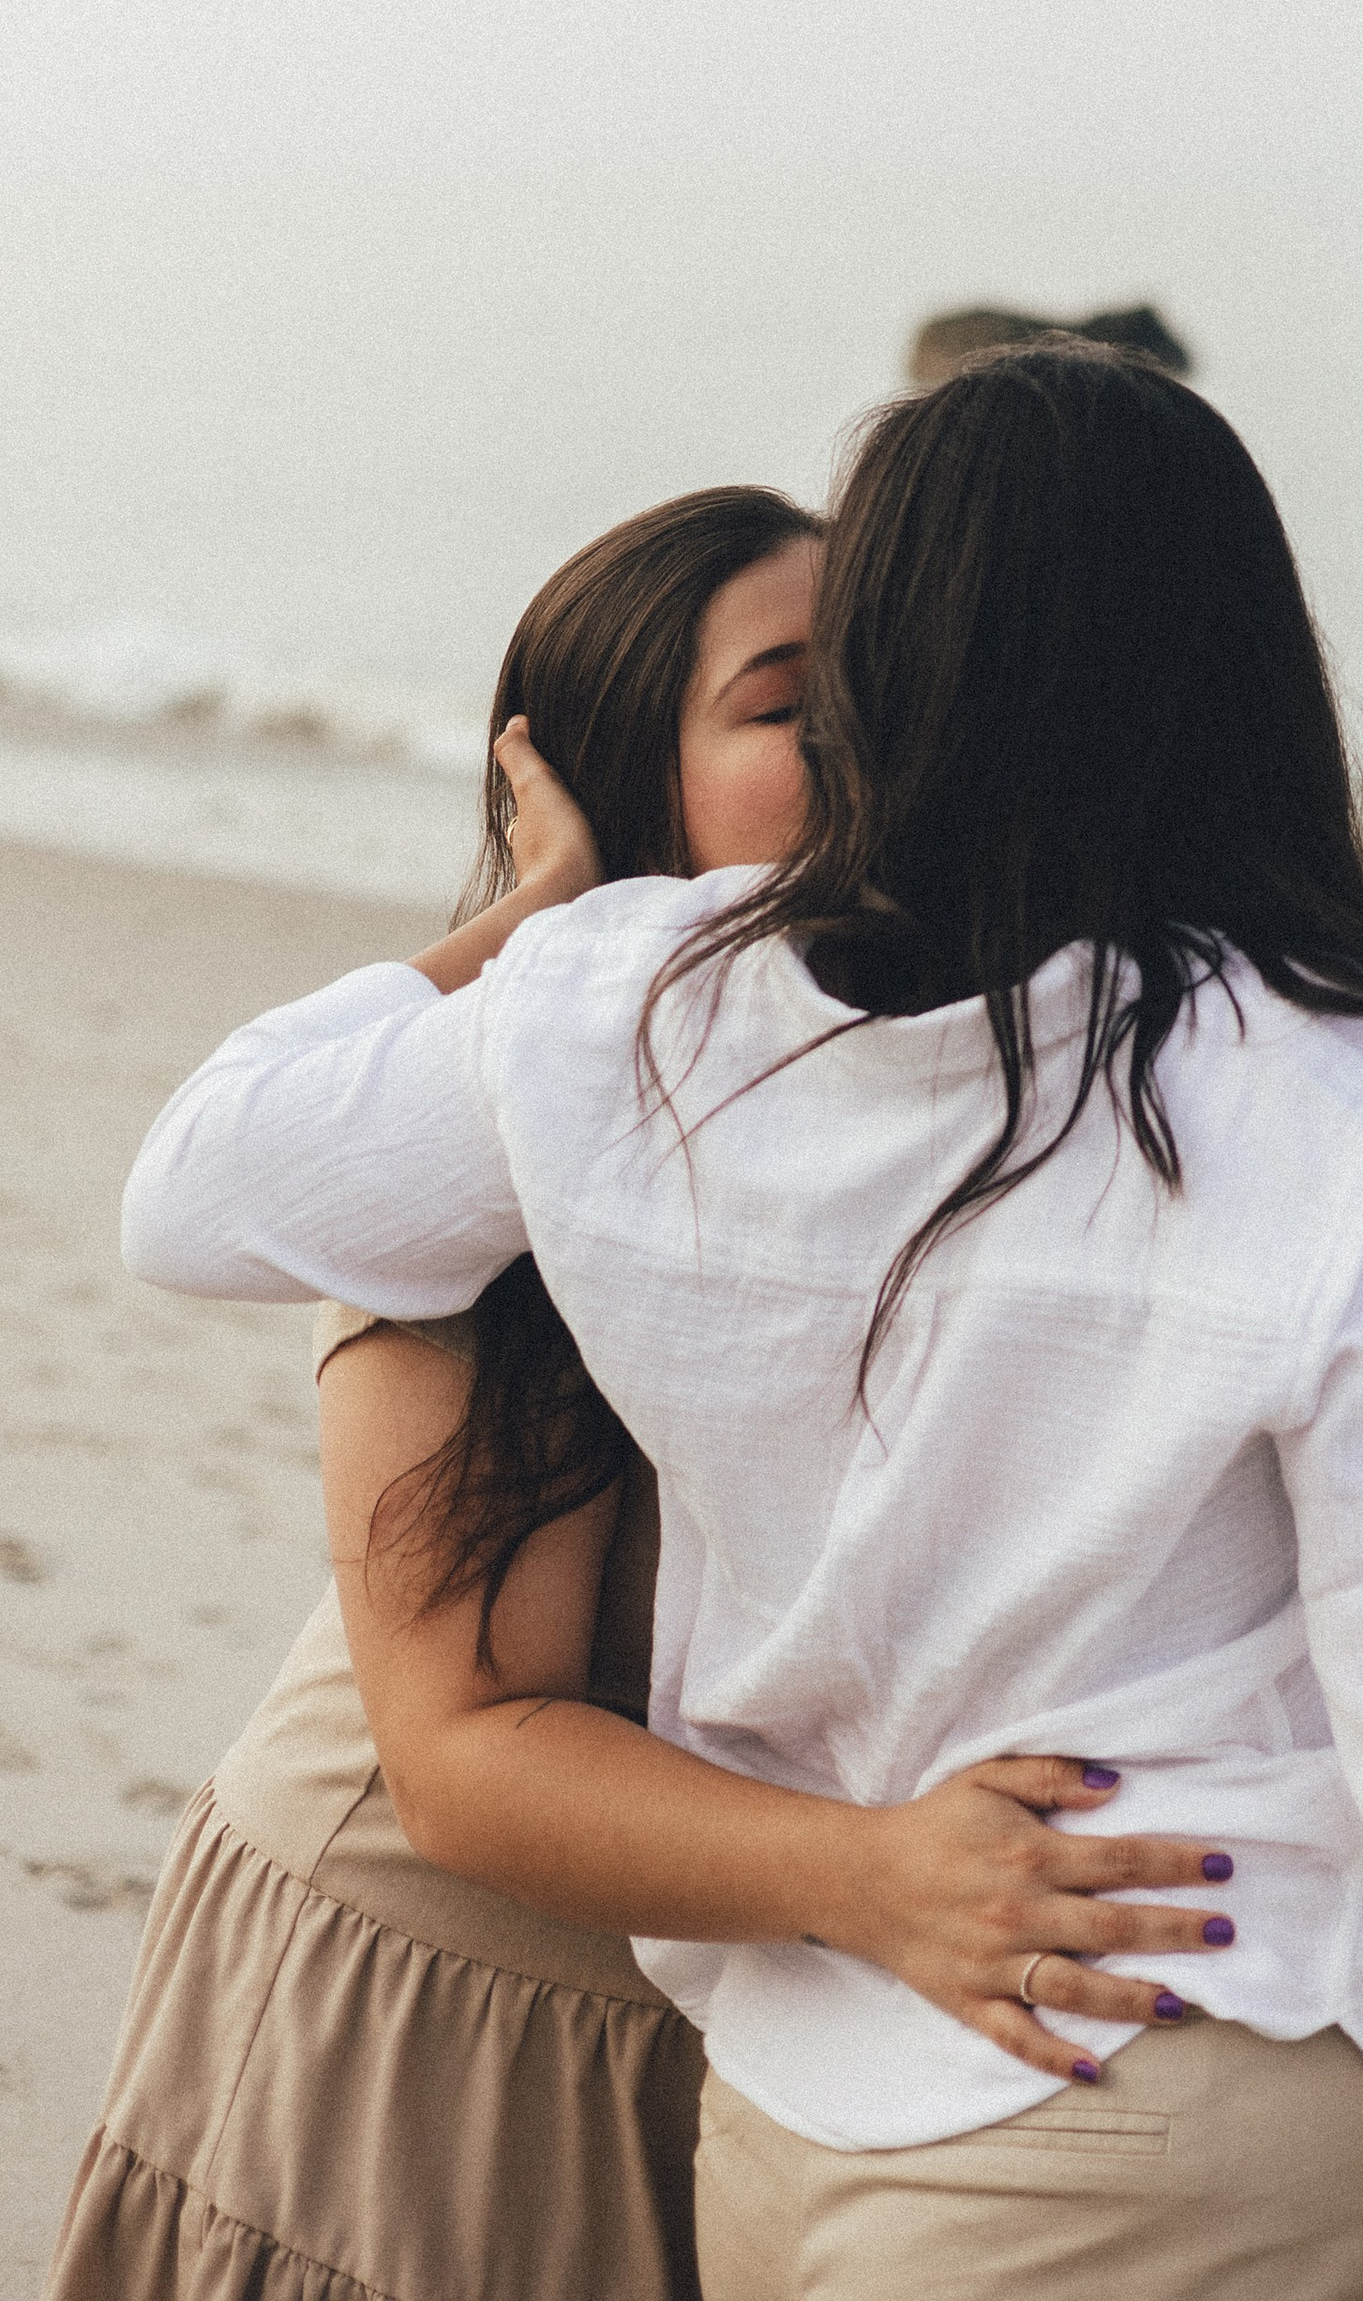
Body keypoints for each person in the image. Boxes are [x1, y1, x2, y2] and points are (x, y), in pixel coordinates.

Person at [124, 350, 1363, 2301]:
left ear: (887, 666)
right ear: (1238, 670)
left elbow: (199, 1186)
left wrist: (539, 912)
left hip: (796, 2122)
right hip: (1184, 2052)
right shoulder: (1328, 1100)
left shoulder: (631, 1015)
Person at [56, 484, 1230, 2301]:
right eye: (785, 711)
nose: (870, 750)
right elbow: (463, 1767)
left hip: (753, 1997)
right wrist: (547, 920)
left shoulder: (929, 1077)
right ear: (630, 784)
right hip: (437, 2011)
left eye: (888, 690)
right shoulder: (489, 1146)